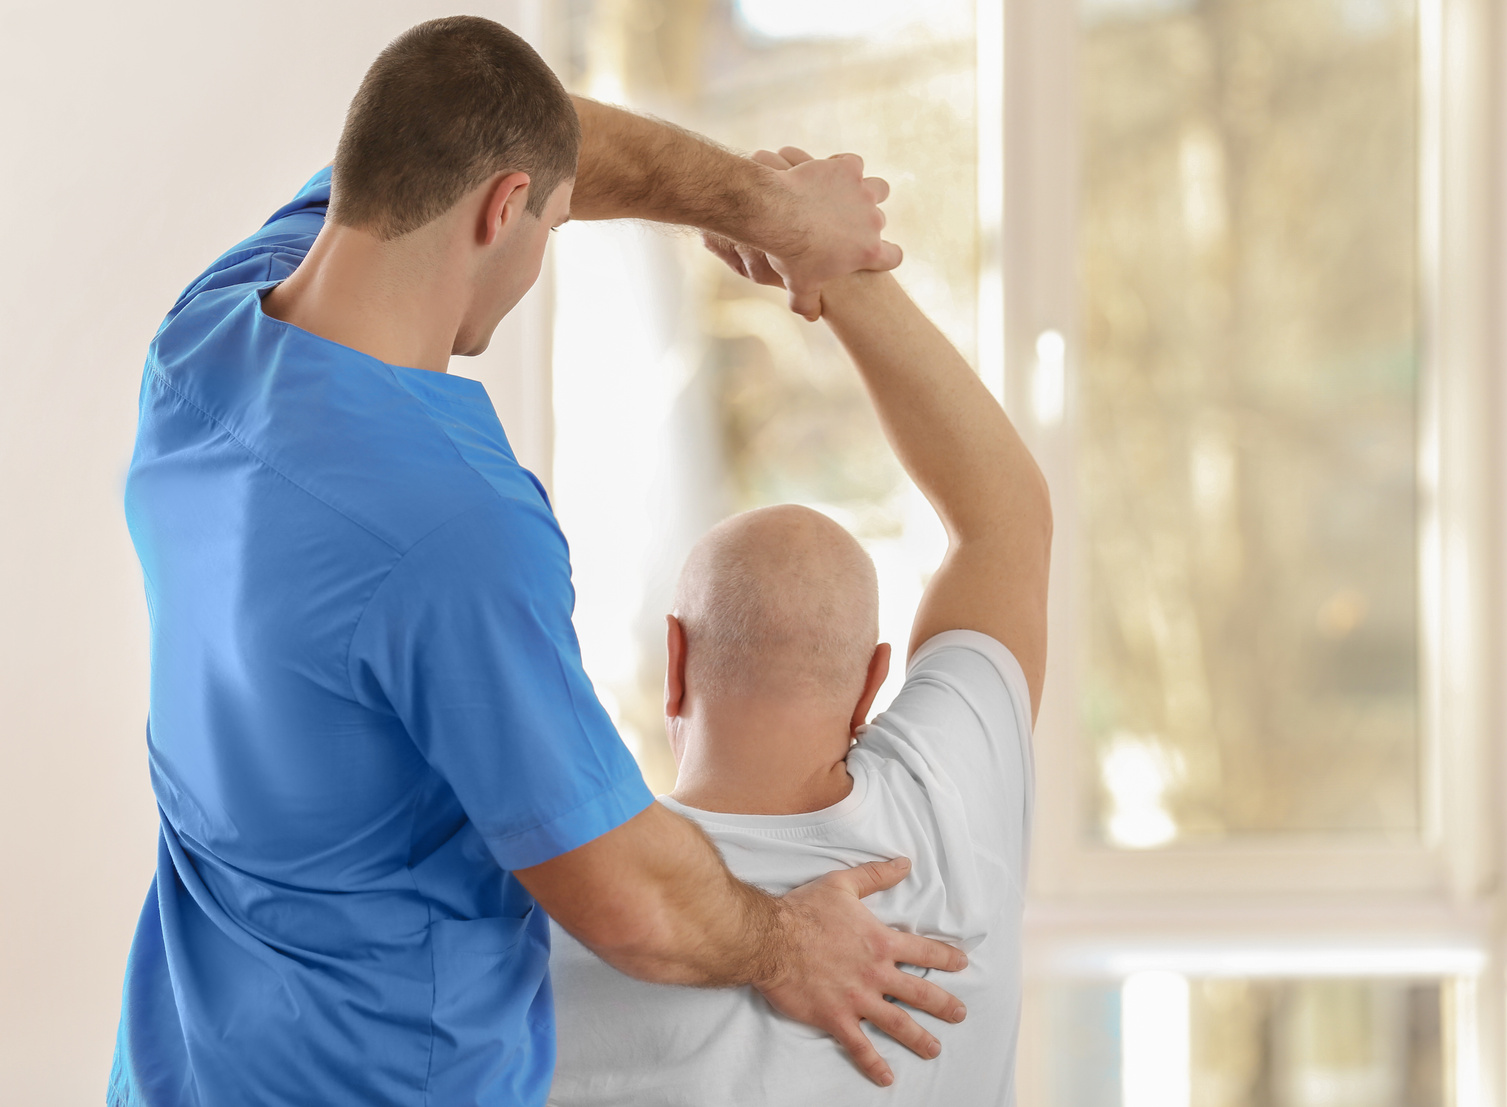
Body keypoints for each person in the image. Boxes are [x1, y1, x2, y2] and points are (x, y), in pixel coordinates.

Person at [109, 18, 968, 1107]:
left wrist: (768, 210)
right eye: (551, 222)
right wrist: (787, 943)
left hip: (179, 1073)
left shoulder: (204, 348)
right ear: (503, 207)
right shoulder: (450, 527)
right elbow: (629, 900)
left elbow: (540, 136)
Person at [546, 148, 1054, 1106]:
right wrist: (828, 265)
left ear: (675, 661)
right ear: (871, 682)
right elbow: (1005, 519)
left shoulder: (568, 894)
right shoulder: (952, 820)